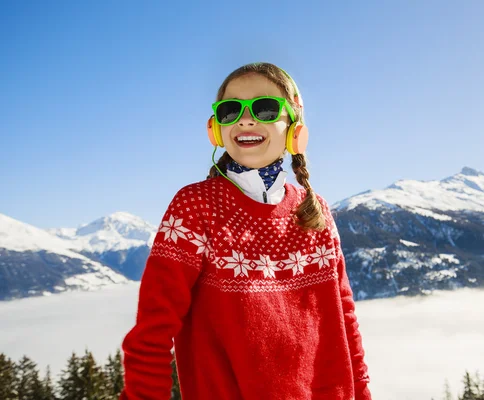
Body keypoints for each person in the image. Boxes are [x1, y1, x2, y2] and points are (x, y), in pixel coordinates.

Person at [119, 62, 372, 400]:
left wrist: (363, 393)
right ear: (216, 129)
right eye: (230, 109)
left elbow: (345, 319)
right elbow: (153, 330)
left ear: (295, 126)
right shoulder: (196, 207)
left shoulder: (317, 210)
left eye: (265, 109)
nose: (246, 119)